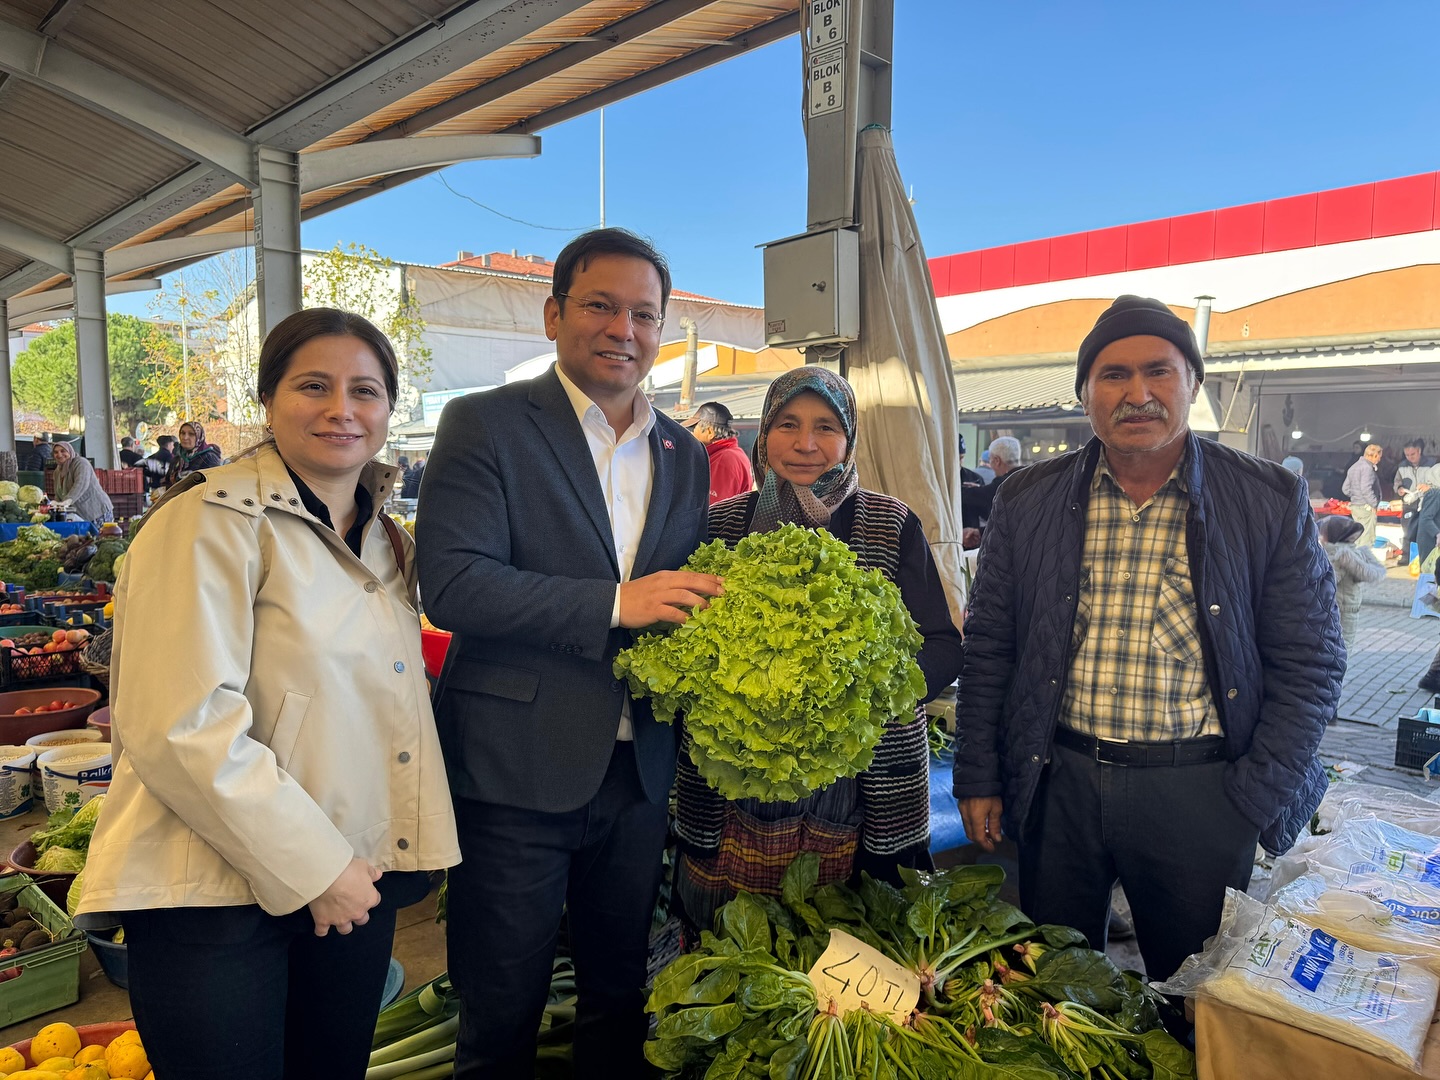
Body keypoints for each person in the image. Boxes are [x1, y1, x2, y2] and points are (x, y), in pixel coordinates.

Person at [75, 307, 459, 1080]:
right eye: (313, 385)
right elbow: (180, 723)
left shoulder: (387, 539)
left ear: (389, 410)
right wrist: (318, 868)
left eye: (365, 390)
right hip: (212, 892)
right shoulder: (207, 519)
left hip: (349, 878)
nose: (341, 409)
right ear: (269, 399)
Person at [955, 295, 1345, 984]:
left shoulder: (1264, 499)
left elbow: (1312, 663)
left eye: (1159, 371)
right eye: (1113, 375)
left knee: (1192, 990)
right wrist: (981, 776)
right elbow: (990, 647)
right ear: (1085, 394)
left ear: (1192, 384)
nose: (1137, 394)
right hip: (1057, 783)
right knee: (1057, 986)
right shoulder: (1029, 499)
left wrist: (1251, 797)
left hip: (1201, 789)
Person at [417, 227, 720, 1078]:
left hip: (636, 772)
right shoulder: (484, 424)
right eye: (601, 305)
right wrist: (618, 605)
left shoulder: (685, 452)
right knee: (502, 1002)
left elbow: (682, 594)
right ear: (554, 315)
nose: (624, 328)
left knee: (619, 994)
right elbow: (452, 581)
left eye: (645, 314)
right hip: (514, 770)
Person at [672, 367, 963, 929]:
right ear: (764, 436)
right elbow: (678, 644)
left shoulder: (889, 522)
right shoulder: (719, 525)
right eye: (788, 424)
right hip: (740, 786)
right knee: (733, 947)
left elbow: (945, 648)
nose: (806, 444)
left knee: (857, 948)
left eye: (826, 427)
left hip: (864, 783)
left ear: (849, 439)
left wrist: (854, 699)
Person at [1316, 515, 1385, 658]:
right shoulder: (1354, 551)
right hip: (1351, 609)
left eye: (1322, 534)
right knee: (1345, 647)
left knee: (1335, 651)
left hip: (1338, 610)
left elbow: (1325, 583)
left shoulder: (1337, 555)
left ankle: (1334, 679)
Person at [681, 401, 753, 503]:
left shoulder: (723, 460)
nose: (692, 433)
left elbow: (711, 509)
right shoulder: (732, 453)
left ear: (709, 431)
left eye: (694, 427)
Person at [50, 440, 113, 524]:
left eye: (63, 451)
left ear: (70, 451)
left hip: (96, 512)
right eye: (56, 452)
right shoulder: (58, 471)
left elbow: (81, 484)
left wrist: (67, 501)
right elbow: (58, 494)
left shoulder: (81, 463)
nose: (59, 455)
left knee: (99, 536)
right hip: (79, 515)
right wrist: (56, 506)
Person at [966, 435, 1023, 524]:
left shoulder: (1004, 484)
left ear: (997, 461)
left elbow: (985, 494)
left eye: (990, 460)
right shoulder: (1028, 477)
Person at [1393, 439, 1433, 565]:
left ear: (1419, 451)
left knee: (1426, 532)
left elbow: (1437, 482)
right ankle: (1406, 557)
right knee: (1407, 531)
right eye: (1407, 455)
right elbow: (1397, 483)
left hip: (1426, 503)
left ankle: (1426, 558)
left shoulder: (1431, 465)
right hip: (1409, 503)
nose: (1410, 458)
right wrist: (1399, 489)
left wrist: (1428, 486)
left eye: (1413, 454)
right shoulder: (1402, 466)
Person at [1342, 443, 1384, 551]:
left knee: (1358, 538)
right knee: (1366, 539)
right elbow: (1366, 489)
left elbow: (1345, 489)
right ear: (1374, 456)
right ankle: (1363, 565)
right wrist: (1374, 504)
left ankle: (1356, 564)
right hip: (1366, 508)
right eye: (1379, 457)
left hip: (1355, 507)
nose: (1380, 459)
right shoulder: (1367, 468)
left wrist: (1356, 496)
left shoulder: (1353, 467)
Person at [164, 421, 223, 488]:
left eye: (191, 434)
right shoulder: (177, 459)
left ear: (199, 436)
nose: (185, 437)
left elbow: (214, 486)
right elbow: (167, 482)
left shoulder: (209, 458)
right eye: (182, 433)